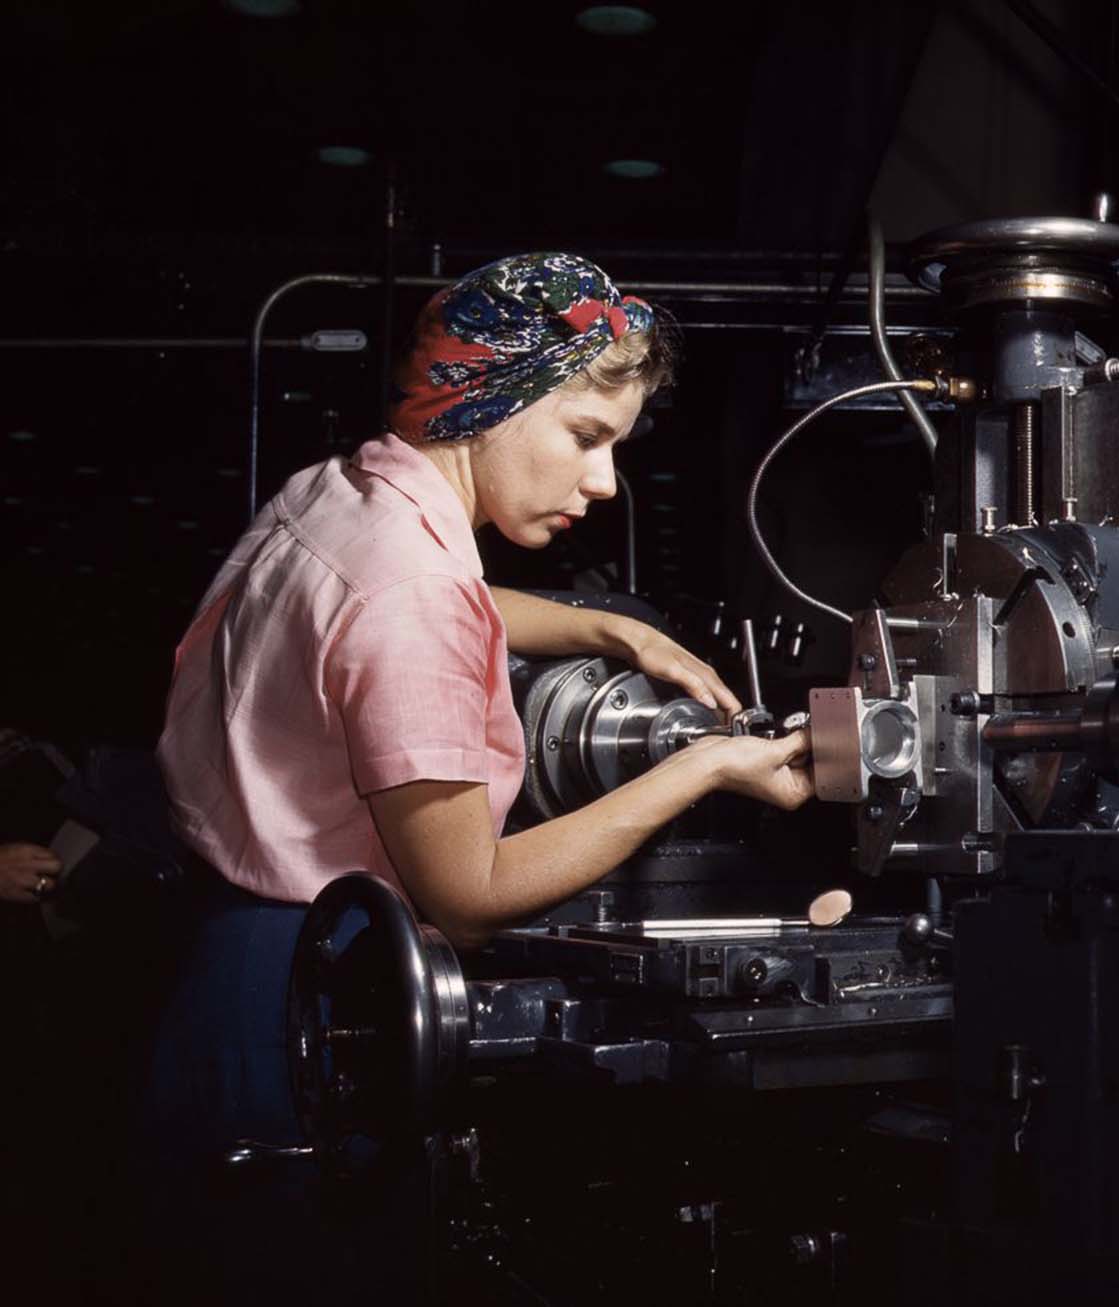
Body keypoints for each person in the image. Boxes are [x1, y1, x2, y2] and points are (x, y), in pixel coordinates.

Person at [137, 252, 814, 1303]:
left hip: (222, 975)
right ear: (491, 402)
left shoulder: (342, 492)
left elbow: (417, 597)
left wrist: (607, 626)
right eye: (585, 437)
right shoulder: (411, 590)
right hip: (315, 1002)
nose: (602, 480)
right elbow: (472, 891)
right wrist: (704, 764)